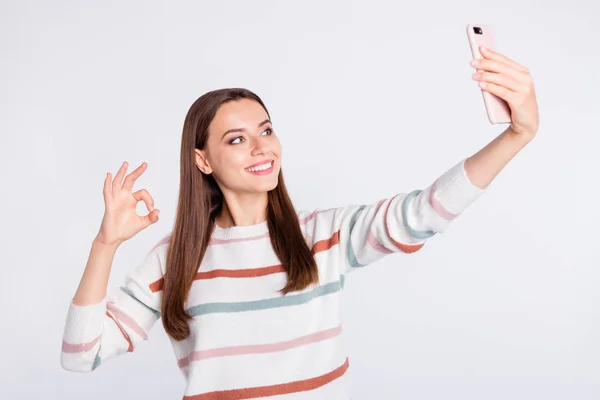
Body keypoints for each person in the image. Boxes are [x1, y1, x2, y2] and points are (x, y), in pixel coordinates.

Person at [60, 46, 539, 399]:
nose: (262, 147)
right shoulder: (174, 259)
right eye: (237, 139)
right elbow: (81, 356)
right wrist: (105, 244)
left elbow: (423, 212)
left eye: (266, 130)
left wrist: (518, 135)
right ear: (202, 161)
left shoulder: (322, 235)